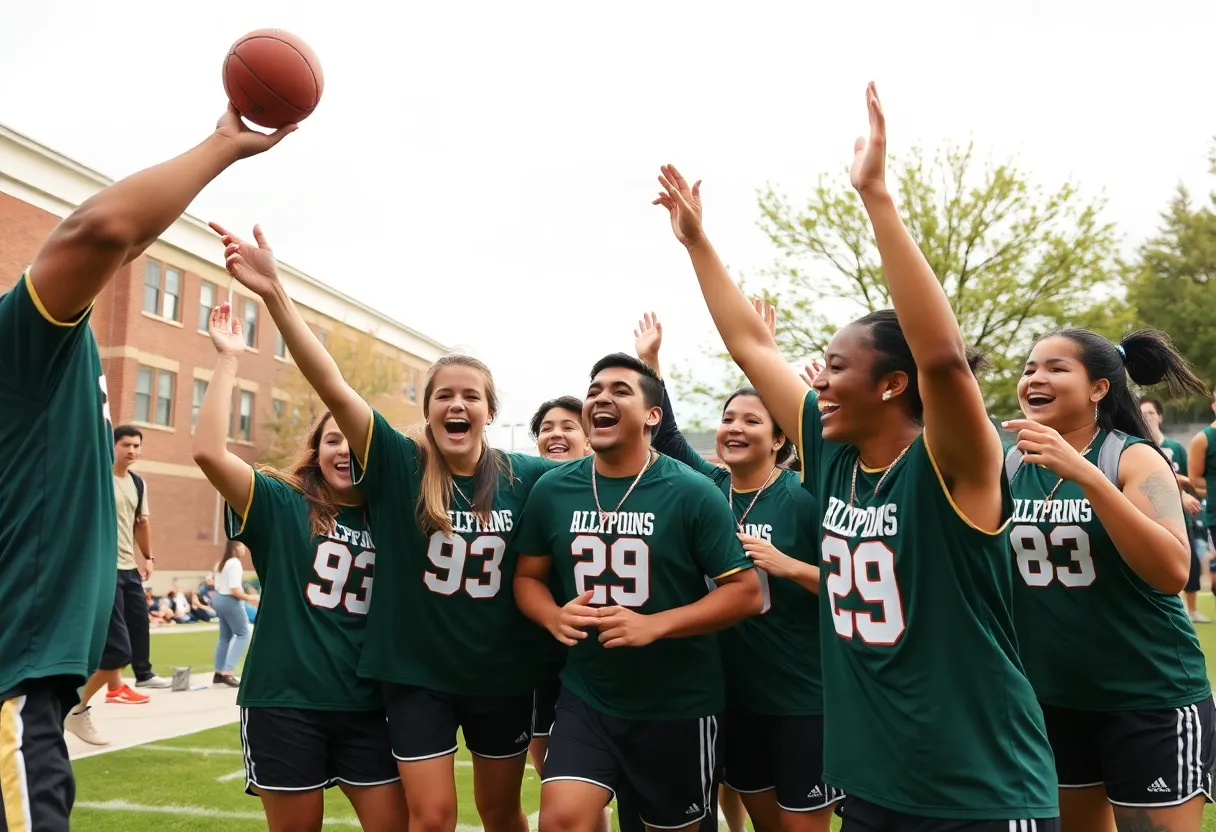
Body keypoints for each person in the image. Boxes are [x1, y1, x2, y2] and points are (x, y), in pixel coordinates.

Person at [654, 83, 1058, 830]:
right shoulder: (834, 455)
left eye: (840, 367)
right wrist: (698, 243)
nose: (822, 380)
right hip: (873, 786)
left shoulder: (955, 467)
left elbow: (944, 360)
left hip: (979, 789)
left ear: (894, 383)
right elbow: (750, 344)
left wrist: (876, 197)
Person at [0, 104, 292, 830]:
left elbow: (110, 242)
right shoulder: (18, 344)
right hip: (12, 681)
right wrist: (222, 144)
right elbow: (100, 231)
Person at [213, 222, 555, 832]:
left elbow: (597, 481)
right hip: (416, 676)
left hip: (500, 673)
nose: (458, 405)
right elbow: (334, 386)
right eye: (444, 395)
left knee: (502, 809)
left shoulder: (526, 475)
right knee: (429, 818)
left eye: (471, 396)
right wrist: (276, 296)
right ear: (425, 410)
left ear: (490, 411)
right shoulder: (399, 464)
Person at [513, 353, 764, 832]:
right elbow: (527, 578)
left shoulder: (693, 491)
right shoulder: (553, 488)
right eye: (594, 391)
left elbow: (746, 592)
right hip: (588, 693)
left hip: (678, 703)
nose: (601, 398)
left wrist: (655, 624)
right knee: (561, 820)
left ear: (653, 415)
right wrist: (552, 616)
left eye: (620, 390)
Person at [191, 301, 407, 831]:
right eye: (332, 439)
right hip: (285, 701)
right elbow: (209, 453)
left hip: (365, 704)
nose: (343, 450)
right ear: (315, 451)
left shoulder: (399, 518)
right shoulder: (281, 503)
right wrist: (229, 361)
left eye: (352, 440)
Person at [1004, 333, 1212, 832]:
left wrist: (1089, 477)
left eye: (1056, 368)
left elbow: (1172, 572)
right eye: (1030, 368)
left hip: (1148, 697)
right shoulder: (1011, 463)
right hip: (1053, 699)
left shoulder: (1135, 458)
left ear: (1099, 388)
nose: (1035, 378)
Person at [635, 311, 834, 832]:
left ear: (779, 440)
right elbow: (668, 435)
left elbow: (854, 588)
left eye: (751, 420)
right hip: (732, 696)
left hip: (801, 697)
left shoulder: (807, 497)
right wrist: (651, 364)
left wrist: (791, 567)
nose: (734, 428)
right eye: (728, 419)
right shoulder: (708, 489)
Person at [1141, 398, 1208, 622]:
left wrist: (1186, 493)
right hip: (1148, 518)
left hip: (1179, 519)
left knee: (1191, 566)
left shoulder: (1176, 448)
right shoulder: (1137, 447)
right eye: (1143, 413)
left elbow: (1191, 480)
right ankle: (1166, 611)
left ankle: (1192, 610)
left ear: (1160, 416)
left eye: (1151, 412)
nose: (1147, 417)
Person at [213, 541, 259, 687]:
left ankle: (219, 673)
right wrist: (251, 598)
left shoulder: (220, 563)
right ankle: (228, 672)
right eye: (241, 545)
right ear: (234, 547)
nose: (244, 548)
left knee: (225, 637)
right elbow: (235, 590)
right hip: (229, 600)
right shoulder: (234, 563)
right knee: (244, 633)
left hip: (218, 598)